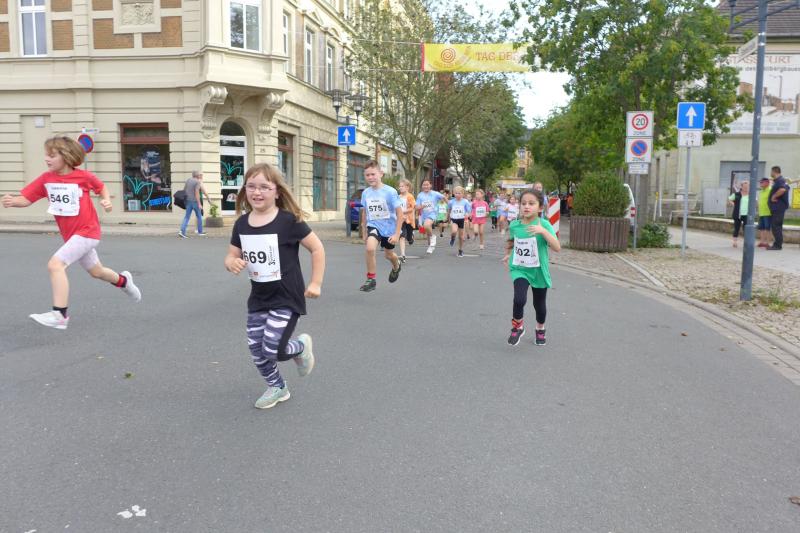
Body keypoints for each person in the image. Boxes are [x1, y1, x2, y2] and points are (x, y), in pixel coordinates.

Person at [1, 135, 141, 330]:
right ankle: (124, 281)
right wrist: (12, 201)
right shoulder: (46, 179)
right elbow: (26, 199)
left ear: (66, 156)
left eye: (52, 155)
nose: (46, 159)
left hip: (88, 231)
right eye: (46, 155)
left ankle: (60, 315)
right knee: (97, 272)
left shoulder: (84, 177)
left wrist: (106, 200)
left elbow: (101, 187)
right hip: (71, 236)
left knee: (55, 265)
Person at [224, 162, 325, 409]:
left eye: (264, 187)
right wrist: (231, 263)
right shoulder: (242, 224)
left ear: (277, 192)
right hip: (259, 298)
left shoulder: (288, 221)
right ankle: (278, 387)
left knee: (273, 348)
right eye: (251, 186)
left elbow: (317, 248)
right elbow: (231, 254)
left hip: (286, 297)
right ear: (244, 190)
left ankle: (300, 347)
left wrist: (316, 282)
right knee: (256, 350)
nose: (257, 192)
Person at [502, 189, 561, 347]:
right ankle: (517, 326)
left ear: (540, 207)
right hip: (520, 268)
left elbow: (557, 247)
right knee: (519, 299)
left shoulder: (544, 224)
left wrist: (543, 232)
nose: (526, 206)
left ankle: (540, 328)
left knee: (539, 305)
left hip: (538, 270)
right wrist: (509, 254)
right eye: (523, 203)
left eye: (531, 203)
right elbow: (512, 241)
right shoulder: (515, 225)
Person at [359, 160, 403, 291]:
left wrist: (397, 234)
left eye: (373, 174)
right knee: (370, 248)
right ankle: (371, 279)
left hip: (389, 229)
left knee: (389, 255)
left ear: (381, 174)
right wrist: (364, 231)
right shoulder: (366, 193)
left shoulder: (390, 192)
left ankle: (396, 265)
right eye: (367, 175)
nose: (370, 177)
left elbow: (400, 214)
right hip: (374, 225)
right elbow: (365, 212)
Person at [179, 170, 216, 238]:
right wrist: (199, 203)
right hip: (195, 202)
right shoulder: (197, 182)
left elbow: (184, 190)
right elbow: (197, 193)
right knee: (199, 216)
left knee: (187, 217)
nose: (202, 176)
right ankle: (200, 231)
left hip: (188, 201)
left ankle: (182, 231)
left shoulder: (188, 180)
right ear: (198, 175)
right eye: (201, 175)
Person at [415, 179, 445, 254]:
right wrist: (421, 206)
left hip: (433, 214)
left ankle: (433, 237)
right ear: (422, 186)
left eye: (427, 184)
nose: (426, 186)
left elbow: (444, 197)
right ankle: (431, 245)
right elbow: (416, 207)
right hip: (424, 215)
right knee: (427, 231)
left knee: (427, 225)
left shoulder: (435, 194)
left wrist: (450, 205)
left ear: (430, 185)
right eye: (424, 185)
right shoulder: (420, 195)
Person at [767, 166, 790, 251]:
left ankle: (777, 245)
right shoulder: (779, 180)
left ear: (774, 171)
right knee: (777, 226)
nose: (771, 173)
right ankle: (778, 244)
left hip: (778, 208)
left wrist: (774, 196)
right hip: (777, 208)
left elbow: (783, 189)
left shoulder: (780, 180)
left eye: (771, 171)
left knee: (776, 226)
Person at [447, 186, 472, 257]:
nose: (457, 195)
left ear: (463, 194)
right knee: (454, 231)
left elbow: (469, 211)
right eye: (456, 193)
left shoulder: (465, 201)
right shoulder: (451, 202)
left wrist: (467, 214)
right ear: (453, 193)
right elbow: (449, 210)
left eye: (459, 193)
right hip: (454, 219)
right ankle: (452, 238)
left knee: (461, 237)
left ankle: (460, 250)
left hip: (461, 220)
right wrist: (448, 218)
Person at [397, 178, 416, 263]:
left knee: (409, 238)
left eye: (402, 186)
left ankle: (411, 237)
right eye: (399, 186)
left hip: (408, 220)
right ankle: (403, 255)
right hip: (401, 220)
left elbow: (412, 208)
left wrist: (403, 212)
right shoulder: (398, 197)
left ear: (407, 187)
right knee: (402, 237)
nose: (400, 188)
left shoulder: (410, 196)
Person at [728, 180, 749, 248]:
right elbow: (729, 199)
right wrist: (733, 204)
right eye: (745, 187)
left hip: (747, 214)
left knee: (746, 229)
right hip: (738, 214)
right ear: (741, 187)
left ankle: (746, 242)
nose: (746, 188)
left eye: (747, 187)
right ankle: (735, 242)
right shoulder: (736, 194)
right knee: (736, 228)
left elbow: (755, 202)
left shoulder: (750, 195)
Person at [757, 177, 772, 248]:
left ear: (767, 183)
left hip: (768, 212)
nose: (760, 184)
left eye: (761, 182)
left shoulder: (770, 190)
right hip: (761, 212)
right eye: (760, 182)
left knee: (767, 228)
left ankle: (768, 243)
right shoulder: (761, 191)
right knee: (761, 228)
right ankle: (762, 242)